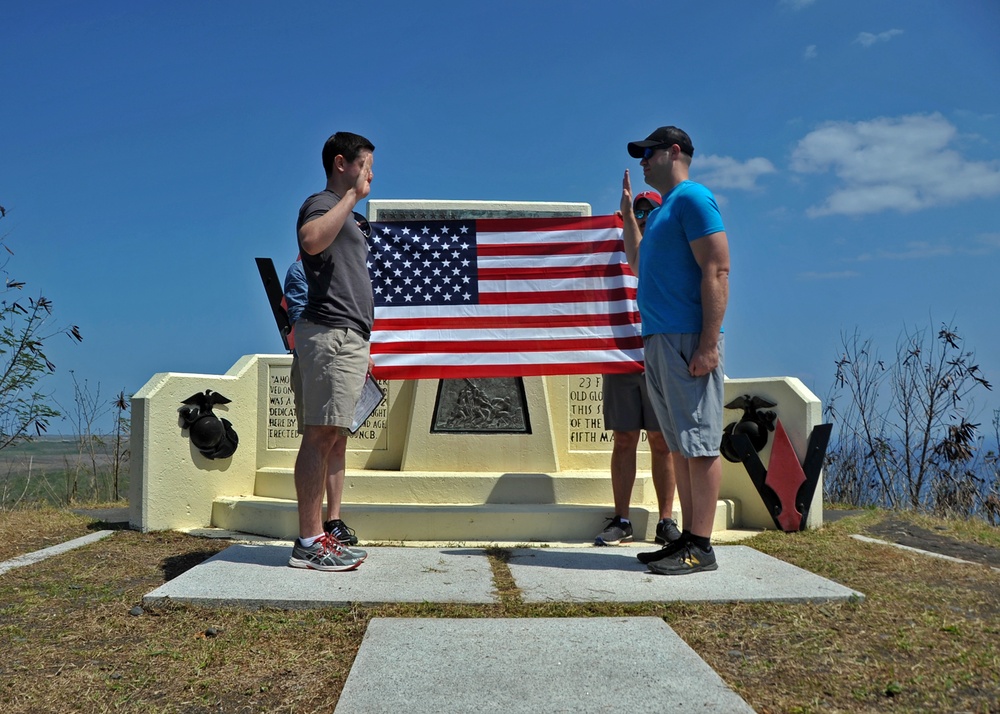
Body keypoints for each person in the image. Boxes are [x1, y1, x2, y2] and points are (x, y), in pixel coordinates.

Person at [620, 126, 730, 575]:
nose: (643, 160)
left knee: (700, 444)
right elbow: (638, 264)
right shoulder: (664, 212)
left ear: (674, 151)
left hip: (688, 338)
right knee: (682, 444)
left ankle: (701, 546)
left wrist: (708, 344)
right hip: (660, 340)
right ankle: (686, 538)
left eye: (648, 152)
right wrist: (629, 215)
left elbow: (718, 268)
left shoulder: (693, 198)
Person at [287, 131, 376, 572]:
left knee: (332, 436)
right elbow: (310, 240)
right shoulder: (322, 202)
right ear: (342, 163)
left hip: (349, 337)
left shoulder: (348, 215)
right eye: (366, 165)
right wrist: (350, 200)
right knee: (320, 434)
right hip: (329, 334)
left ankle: (319, 535)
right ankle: (307, 543)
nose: (371, 175)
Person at [594, 190, 681, 547]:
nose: (644, 216)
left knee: (662, 441)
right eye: (638, 210)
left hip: (659, 355)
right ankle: (623, 518)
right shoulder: (614, 245)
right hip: (620, 356)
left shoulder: (674, 248)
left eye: (651, 210)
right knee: (624, 438)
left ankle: (665, 520)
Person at [283, 255, 360, 549]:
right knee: (318, 439)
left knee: (338, 441)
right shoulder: (300, 270)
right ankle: (312, 532)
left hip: (344, 364)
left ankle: (334, 521)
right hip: (315, 363)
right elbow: (301, 319)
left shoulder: (347, 272)